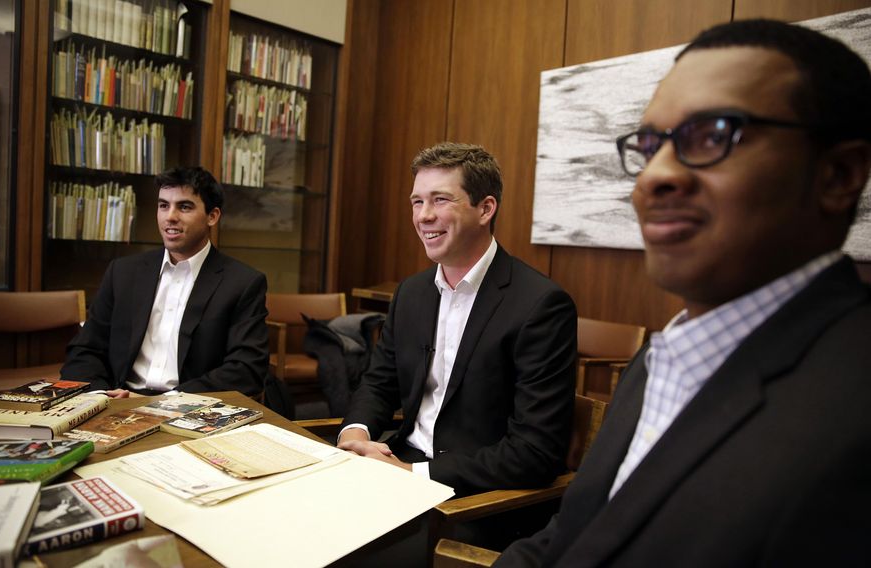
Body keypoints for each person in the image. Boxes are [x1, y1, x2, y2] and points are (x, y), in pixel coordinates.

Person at [496, 18, 871, 567]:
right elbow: (573, 536)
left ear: (838, 174)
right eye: (650, 145)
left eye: (713, 136)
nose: (653, 177)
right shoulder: (659, 358)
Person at [338, 142, 577, 498]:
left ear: (485, 209)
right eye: (417, 202)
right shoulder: (412, 293)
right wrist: (355, 435)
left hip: (476, 493)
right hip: (397, 463)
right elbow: (379, 382)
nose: (423, 216)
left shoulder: (541, 305)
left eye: (440, 200)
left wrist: (410, 474)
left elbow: (535, 452)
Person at [60, 166, 269, 398]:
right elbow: (85, 350)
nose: (170, 216)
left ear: (213, 216)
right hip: (119, 401)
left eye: (185, 207)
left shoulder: (243, 283)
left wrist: (167, 402)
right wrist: (101, 395)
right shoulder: (123, 273)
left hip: (190, 407)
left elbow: (246, 370)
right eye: (163, 205)